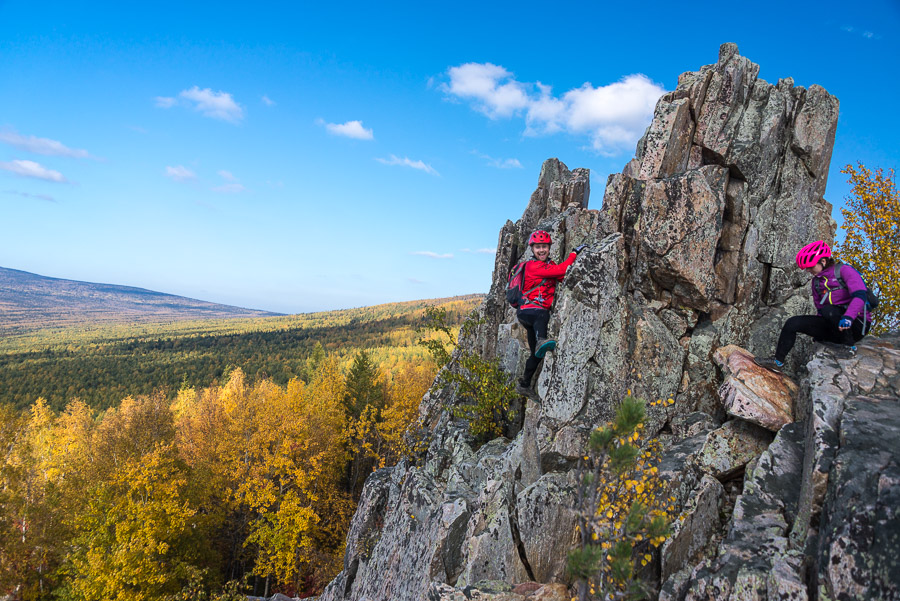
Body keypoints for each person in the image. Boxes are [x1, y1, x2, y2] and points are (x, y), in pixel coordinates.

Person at [756, 240, 872, 372]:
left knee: (830, 310)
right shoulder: (816, 282)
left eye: (811, 267)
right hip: (834, 324)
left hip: (856, 324)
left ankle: (849, 347)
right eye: (807, 268)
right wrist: (818, 333)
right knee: (792, 323)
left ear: (823, 261)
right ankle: (777, 362)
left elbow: (860, 297)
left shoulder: (845, 271)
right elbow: (820, 311)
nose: (809, 271)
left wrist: (848, 317)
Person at [515, 230, 585, 395]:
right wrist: (574, 253)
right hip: (530, 311)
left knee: (536, 355)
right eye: (538, 247)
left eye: (544, 247)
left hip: (529, 314)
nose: (541, 250)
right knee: (542, 313)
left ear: (549, 248)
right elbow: (561, 270)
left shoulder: (549, 266)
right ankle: (541, 340)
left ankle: (524, 384)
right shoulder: (533, 265)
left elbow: (562, 276)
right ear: (532, 249)